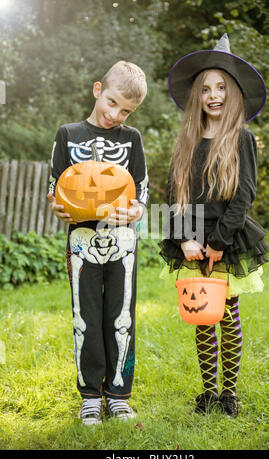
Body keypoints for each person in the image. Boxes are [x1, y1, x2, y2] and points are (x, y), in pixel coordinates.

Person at [159, 34, 269, 417]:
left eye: (221, 87)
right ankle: (208, 392)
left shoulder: (241, 138)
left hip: (228, 236)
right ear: (197, 97)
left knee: (228, 314)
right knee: (202, 315)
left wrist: (219, 242)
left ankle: (229, 393)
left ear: (234, 92)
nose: (213, 95)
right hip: (192, 238)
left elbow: (244, 195)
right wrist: (186, 239)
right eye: (205, 89)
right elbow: (176, 194)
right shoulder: (188, 140)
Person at [48, 61, 149, 425]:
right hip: (81, 241)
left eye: (125, 111)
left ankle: (119, 393)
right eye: (111, 103)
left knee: (121, 316)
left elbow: (142, 190)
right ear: (97, 90)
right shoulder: (67, 134)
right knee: (85, 316)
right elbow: (54, 187)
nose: (115, 114)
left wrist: (136, 212)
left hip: (123, 243)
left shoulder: (132, 138)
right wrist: (58, 207)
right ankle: (90, 394)